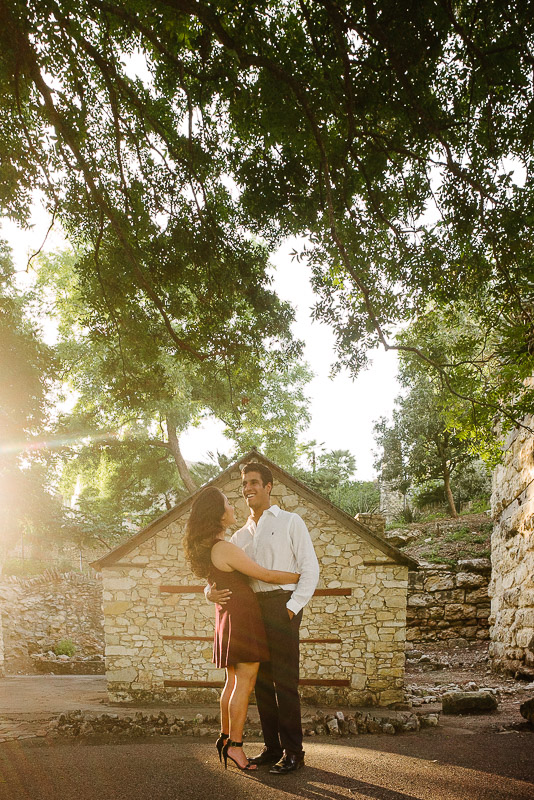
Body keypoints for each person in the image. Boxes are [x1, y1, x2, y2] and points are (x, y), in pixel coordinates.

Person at [207, 462, 320, 774]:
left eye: (255, 482)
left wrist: (292, 606)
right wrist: (208, 593)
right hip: (253, 613)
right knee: (261, 685)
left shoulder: (290, 522)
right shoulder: (239, 536)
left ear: (269, 486)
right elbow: (219, 573)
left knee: (285, 684)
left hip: (282, 607)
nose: (248, 489)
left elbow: (310, 568)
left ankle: (294, 752)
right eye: (244, 484)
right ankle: (272, 748)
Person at [183, 485, 300, 772]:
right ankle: (235, 746)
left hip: (230, 616)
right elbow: (265, 575)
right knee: (244, 683)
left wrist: (208, 591)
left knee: (233, 682)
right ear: (218, 515)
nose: (233, 507)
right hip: (242, 618)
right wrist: (301, 575)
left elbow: (214, 580)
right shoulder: (224, 547)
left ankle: (225, 738)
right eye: (227, 504)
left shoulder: (214, 546)